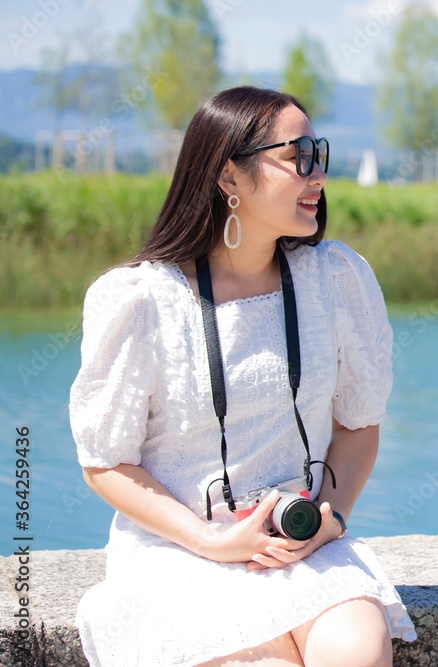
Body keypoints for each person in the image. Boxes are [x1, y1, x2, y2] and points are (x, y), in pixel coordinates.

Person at [69, 86, 416, 666]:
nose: (318, 176)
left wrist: (328, 516)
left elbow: (358, 424)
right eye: (297, 156)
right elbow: (105, 461)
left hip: (301, 548)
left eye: (320, 155)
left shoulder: (335, 280)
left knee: (358, 651)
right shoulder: (141, 300)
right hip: (178, 553)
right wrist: (212, 540)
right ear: (229, 175)